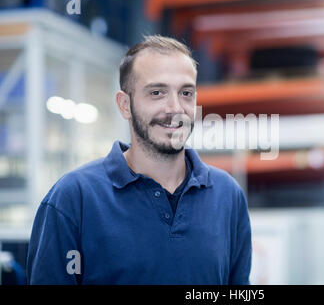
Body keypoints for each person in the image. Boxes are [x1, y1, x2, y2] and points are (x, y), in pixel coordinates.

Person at [27, 35, 252, 284]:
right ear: (125, 105)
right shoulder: (73, 199)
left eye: (186, 93)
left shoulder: (227, 196)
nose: (175, 108)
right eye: (157, 92)